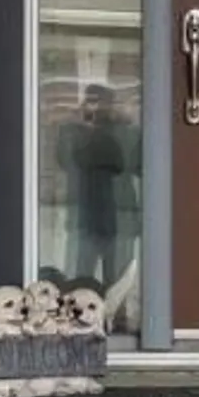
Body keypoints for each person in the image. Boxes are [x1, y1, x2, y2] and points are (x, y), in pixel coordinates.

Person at [63, 83, 135, 296]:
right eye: (89, 101)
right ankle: (78, 314)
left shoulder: (123, 131)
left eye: (97, 101)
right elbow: (66, 160)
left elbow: (123, 163)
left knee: (117, 276)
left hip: (118, 213)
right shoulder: (74, 132)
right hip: (87, 212)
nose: (93, 108)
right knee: (82, 274)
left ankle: (117, 317)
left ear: (110, 104)